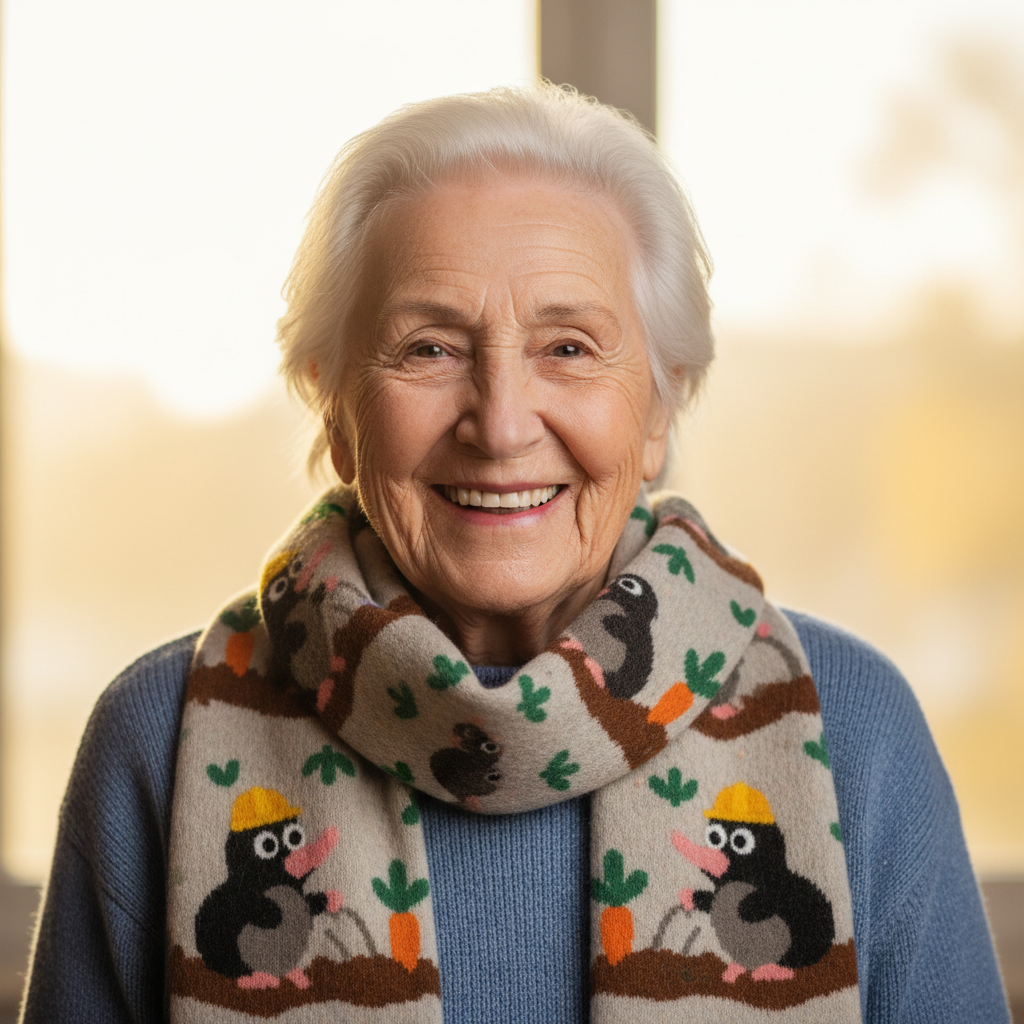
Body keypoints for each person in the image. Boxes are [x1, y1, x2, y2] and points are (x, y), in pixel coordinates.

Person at [20, 85, 1009, 1024]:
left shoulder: (856, 733)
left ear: (659, 405)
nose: (498, 425)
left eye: (569, 347)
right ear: (335, 405)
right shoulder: (157, 740)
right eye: (429, 348)